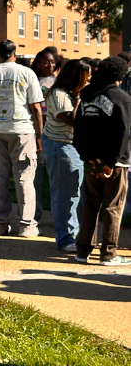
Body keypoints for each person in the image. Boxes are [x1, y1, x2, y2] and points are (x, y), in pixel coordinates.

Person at [0, 40, 43, 238]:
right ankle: (26, 225)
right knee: (24, 177)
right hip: (22, 128)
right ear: (15, 54)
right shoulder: (26, 73)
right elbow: (36, 106)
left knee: (0, 177)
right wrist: (40, 134)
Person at [73, 56, 131, 266]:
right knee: (113, 207)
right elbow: (123, 134)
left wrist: (86, 156)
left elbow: (79, 128)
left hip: (90, 160)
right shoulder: (121, 98)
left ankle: (82, 251)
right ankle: (109, 253)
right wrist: (111, 162)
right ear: (121, 76)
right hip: (114, 163)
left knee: (90, 205)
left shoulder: (86, 95)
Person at [41, 59, 91, 252]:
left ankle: (73, 234)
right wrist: (79, 98)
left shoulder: (68, 93)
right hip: (60, 146)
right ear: (76, 77)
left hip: (71, 146)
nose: (88, 80)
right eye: (86, 77)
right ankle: (65, 238)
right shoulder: (59, 94)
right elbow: (72, 120)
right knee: (65, 195)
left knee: (74, 194)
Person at [32, 49, 57, 221]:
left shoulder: (58, 81)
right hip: (37, 132)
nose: (50, 65)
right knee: (37, 178)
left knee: (57, 177)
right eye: (47, 62)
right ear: (38, 63)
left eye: (53, 62)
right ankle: (35, 214)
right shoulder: (32, 80)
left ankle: (58, 216)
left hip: (56, 130)